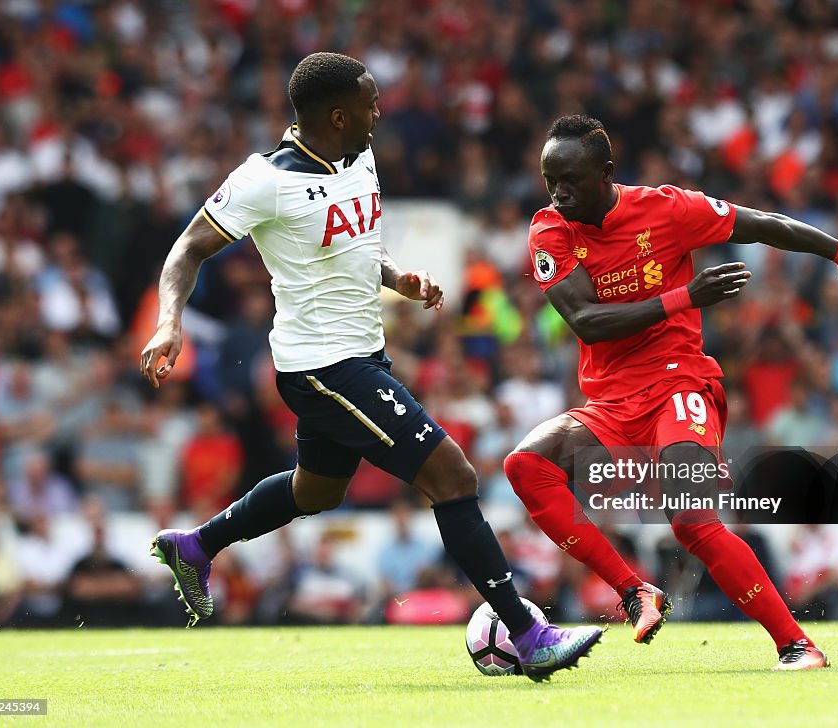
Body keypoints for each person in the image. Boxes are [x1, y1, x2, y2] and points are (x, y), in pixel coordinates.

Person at [139, 53, 601, 681]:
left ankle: (195, 546)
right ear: (337, 114)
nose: (379, 113)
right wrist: (170, 322)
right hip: (323, 366)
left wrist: (397, 277)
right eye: (370, 104)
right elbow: (188, 246)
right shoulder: (264, 181)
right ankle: (528, 634)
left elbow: (354, 240)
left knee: (316, 490)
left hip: (361, 354)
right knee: (453, 476)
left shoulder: (359, 157)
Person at [503, 115, 838, 671]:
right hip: (610, 402)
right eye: (549, 178)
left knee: (690, 519)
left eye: (571, 179)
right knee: (525, 466)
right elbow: (586, 320)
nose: (558, 191)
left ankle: (797, 644)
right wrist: (684, 297)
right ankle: (635, 592)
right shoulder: (550, 230)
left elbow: (761, 224)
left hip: (680, 381)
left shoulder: (667, 209)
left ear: (605, 172)